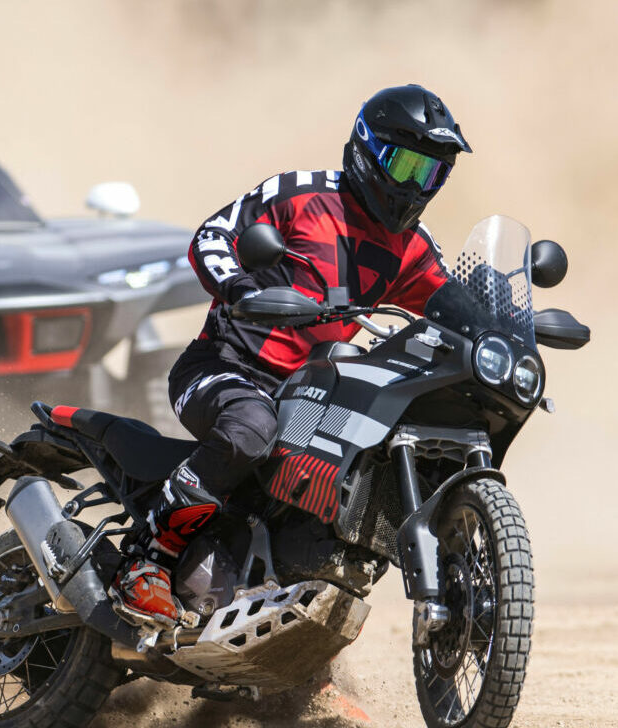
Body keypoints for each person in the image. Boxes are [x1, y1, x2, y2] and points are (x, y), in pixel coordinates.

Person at [112, 84, 473, 627]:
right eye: (404, 165)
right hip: (226, 367)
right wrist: (237, 288)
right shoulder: (299, 194)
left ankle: (298, 647)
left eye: (430, 173)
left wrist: (504, 327)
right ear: (366, 149)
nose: (414, 185)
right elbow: (213, 235)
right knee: (251, 428)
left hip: (314, 394)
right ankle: (146, 564)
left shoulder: (413, 246)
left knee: (356, 474)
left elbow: (453, 301)